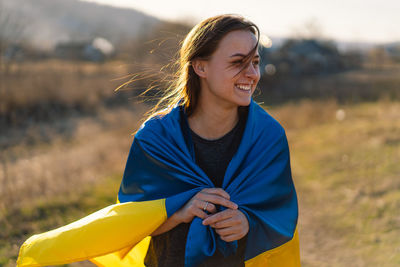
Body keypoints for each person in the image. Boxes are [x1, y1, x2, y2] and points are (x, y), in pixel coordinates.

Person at [17, 14, 299, 267]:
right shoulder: (156, 137)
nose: (252, 74)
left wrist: (247, 222)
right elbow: (132, 220)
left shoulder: (268, 137)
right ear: (200, 66)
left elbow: (281, 214)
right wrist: (180, 210)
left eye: (256, 62)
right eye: (238, 63)